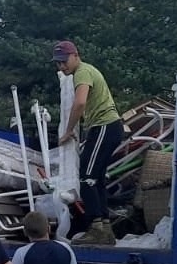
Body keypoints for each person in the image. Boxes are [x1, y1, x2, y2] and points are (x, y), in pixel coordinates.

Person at [53, 40, 124, 246]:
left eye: (64, 61)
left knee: (86, 176)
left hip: (105, 126)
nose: (61, 67)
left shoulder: (82, 72)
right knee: (97, 178)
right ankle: (106, 229)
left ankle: (96, 228)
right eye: (58, 63)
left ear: (76, 55)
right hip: (105, 128)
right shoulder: (85, 71)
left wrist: (67, 131)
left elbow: (81, 101)